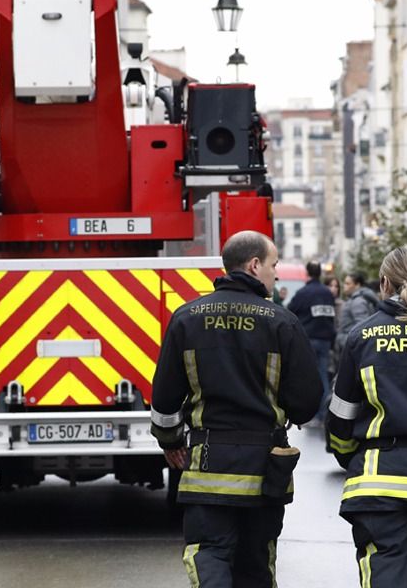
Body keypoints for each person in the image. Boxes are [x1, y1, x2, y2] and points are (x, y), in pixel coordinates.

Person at [150, 231, 322, 588]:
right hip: (264, 469)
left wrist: (170, 441)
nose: (276, 273)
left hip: (206, 466)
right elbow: (307, 402)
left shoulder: (186, 318)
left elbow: (164, 397)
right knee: (256, 564)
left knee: (209, 553)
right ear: (255, 265)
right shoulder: (282, 322)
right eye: (273, 265)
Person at [328, 247, 407, 588]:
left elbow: (340, 417)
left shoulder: (362, 336)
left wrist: (350, 455)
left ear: (384, 283)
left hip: (376, 483)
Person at [286, 261, 337, 423]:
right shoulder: (327, 293)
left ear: (307, 273)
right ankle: (324, 413)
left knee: (308, 377)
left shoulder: (303, 293)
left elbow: (289, 313)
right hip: (325, 340)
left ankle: (312, 413)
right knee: (323, 375)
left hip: (308, 340)